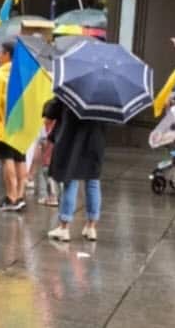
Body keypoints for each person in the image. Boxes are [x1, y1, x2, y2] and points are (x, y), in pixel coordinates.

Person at [44, 98, 106, 242]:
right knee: (93, 181)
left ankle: (64, 227)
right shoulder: (106, 94)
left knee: (70, 180)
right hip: (96, 141)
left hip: (72, 139)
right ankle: (91, 227)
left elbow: (51, 111)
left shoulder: (72, 88)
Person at [0, 40, 27, 212]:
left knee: (7, 160)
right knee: (20, 159)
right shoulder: (24, 72)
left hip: (3, 124)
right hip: (22, 123)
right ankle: (20, 195)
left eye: (0, 52)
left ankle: (11, 197)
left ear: (6, 55)